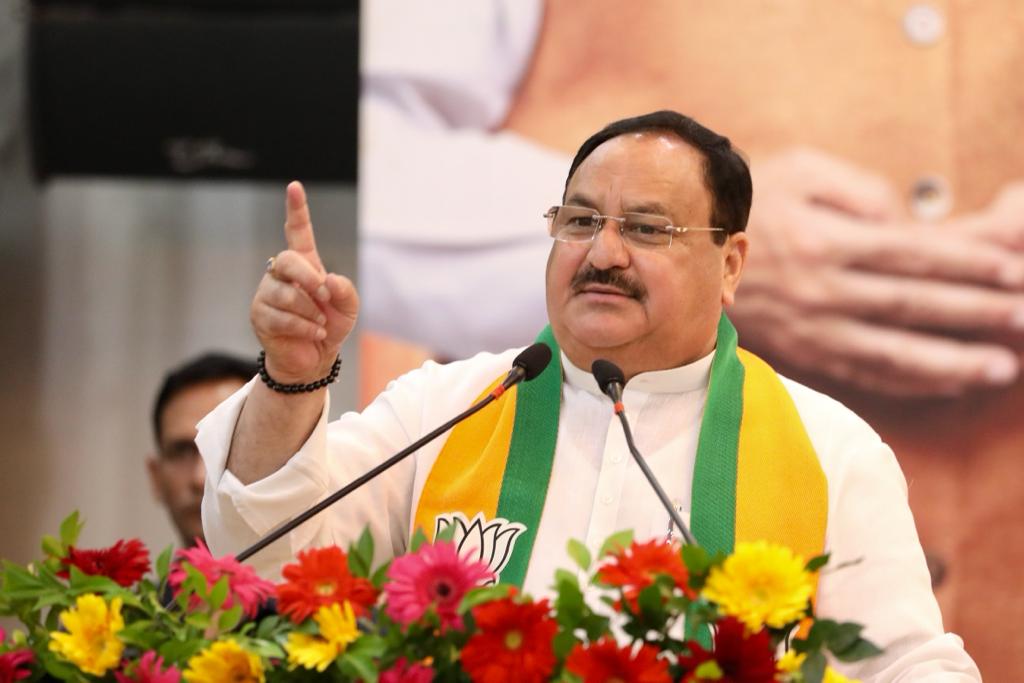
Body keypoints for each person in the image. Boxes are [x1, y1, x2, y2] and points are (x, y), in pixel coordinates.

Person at [199, 111, 979, 680]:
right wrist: (293, 372)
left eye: (645, 229)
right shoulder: (448, 406)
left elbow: (906, 663)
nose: (602, 253)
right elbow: (269, 548)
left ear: (732, 262)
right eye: (579, 220)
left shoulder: (831, 450)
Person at [149, 352, 257, 546]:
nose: (200, 478)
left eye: (227, 447)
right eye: (182, 452)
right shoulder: (86, 578)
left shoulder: (326, 577)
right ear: (155, 477)